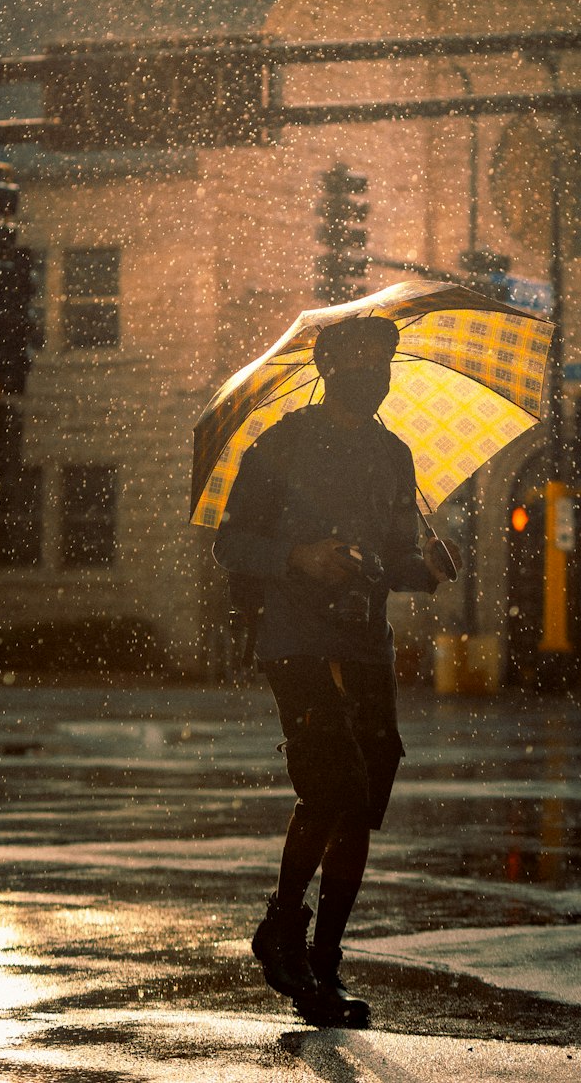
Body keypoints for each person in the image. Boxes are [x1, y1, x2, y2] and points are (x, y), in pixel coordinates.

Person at [213, 314, 458, 1028]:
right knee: (333, 783)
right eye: (358, 359)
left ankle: (324, 964)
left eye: (383, 360)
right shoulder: (283, 446)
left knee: (363, 804)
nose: (373, 372)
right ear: (328, 367)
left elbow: (396, 557)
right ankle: (282, 922)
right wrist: (299, 556)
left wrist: (430, 569)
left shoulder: (395, 456)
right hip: (296, 638)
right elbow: (232, 543)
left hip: (366, 645)